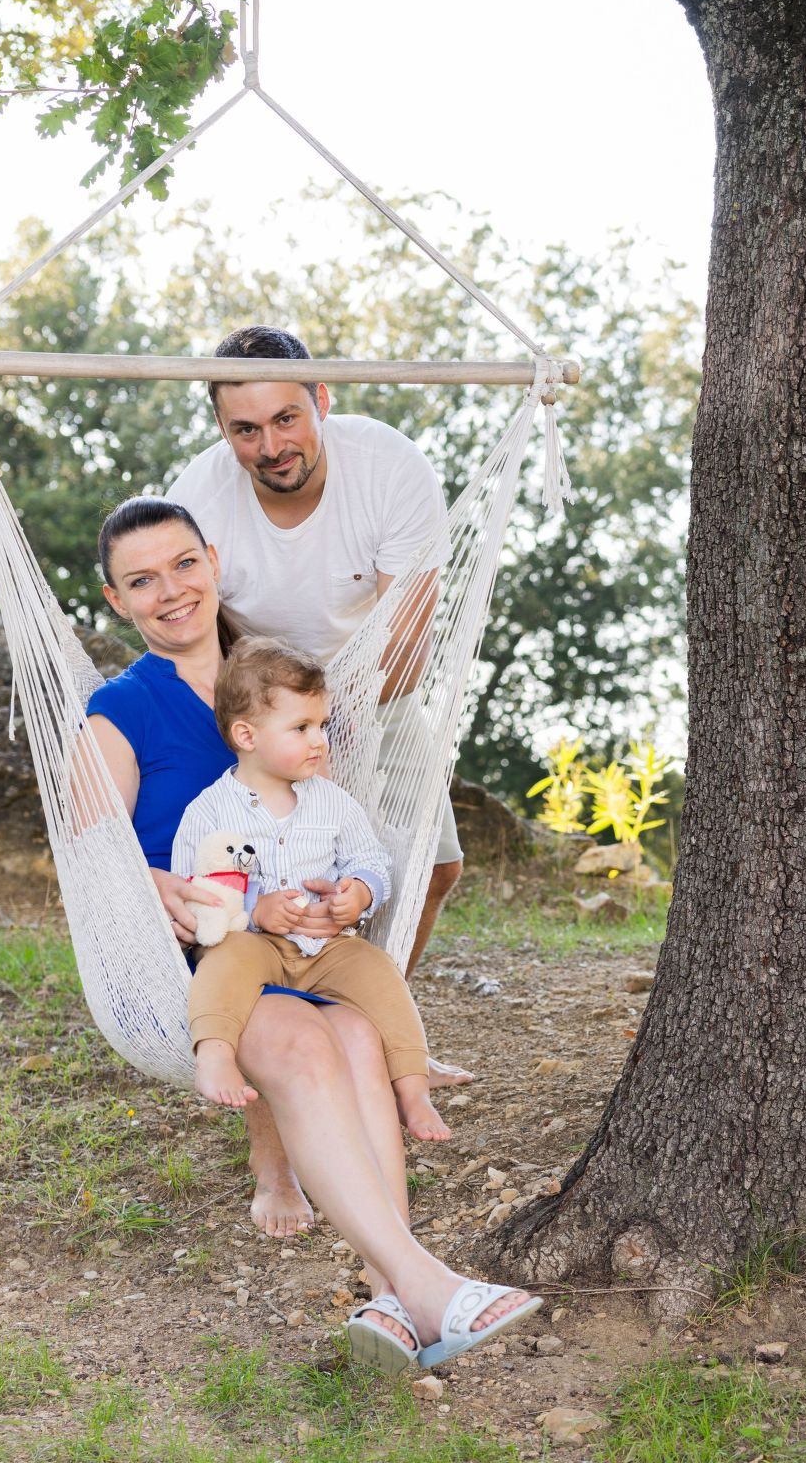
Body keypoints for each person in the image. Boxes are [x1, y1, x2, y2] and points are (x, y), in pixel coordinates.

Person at [83, 496, 537, 1368]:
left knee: (361, 1037)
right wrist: (173, 890)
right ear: (117, 601)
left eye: (184, 565)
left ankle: (388, 1307)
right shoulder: (120, 709)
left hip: (312, 940)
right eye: (141, 581)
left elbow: (341, 807)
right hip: (206, 946)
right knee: (300, 1046)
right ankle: (425, 1288)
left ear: (214, 560)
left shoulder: (279, 678)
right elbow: (88, 853)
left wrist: (345, 894)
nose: (170, 591)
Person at [167, 326, 470, 1031]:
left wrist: (333, 727)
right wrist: (260, 734)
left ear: (322, 399)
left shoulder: (390, 466)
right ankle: (281, 1025)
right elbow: (193, 636)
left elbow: (408, 645)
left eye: (285, 419)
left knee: (432, 867)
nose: (270, 447)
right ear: (220, 428)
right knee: (273, 868)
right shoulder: (198, 497)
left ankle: (369, 1022)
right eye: (245, 430)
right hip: (255, 695)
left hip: (375, 686)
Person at [172, 635, 448, 1143]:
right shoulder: (208, 811)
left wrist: (359, 893)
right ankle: (213, 1054)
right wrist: (255, 911)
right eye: (301, 727)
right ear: (246, 735)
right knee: (222, 963)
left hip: (325, 946)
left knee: (380, 974)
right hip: (251, 944)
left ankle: (413, 1089)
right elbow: (196, 890)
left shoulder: (334, 803)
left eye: (321, 724)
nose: (319, 739)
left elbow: (371, 860)